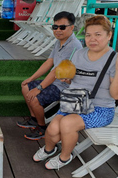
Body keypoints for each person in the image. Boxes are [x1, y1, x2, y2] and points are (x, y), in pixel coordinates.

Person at [32, 15, 118, 170]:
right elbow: (75, 80)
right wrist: (67, 80)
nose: (92, 39)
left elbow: (117, 95)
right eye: (88, 35)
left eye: (98, 35)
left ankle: (65, 157)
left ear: (109, 35)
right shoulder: (79, 54)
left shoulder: (114, 59)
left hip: (100, 109)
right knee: (52, 130)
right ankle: (49, 149)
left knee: (67, 124)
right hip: (74, 103)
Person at [19, 11, 83, 140]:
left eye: (62, 27)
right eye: (55, 27)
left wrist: (39, 88)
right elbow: (49, 62)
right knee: (25, 86)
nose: (58, 30)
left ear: (71, 27)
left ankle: (42, 128)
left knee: (35, 97)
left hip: (65, 86)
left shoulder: (74, 46)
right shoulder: (59, 41)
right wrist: (31, 79)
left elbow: (56, 72)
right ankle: (34, 119)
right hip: (55, 82)